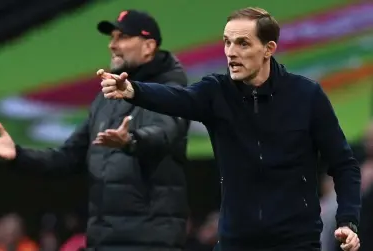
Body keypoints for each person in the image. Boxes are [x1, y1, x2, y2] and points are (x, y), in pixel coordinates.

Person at [97, 7, 362, 251]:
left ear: (268, 48)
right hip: (235, 241)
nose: (230, 52)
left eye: (242, 43)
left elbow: (344, 165)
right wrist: (133, 90)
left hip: (296, 242)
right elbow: (177, 98)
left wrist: (347, 220)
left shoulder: (307, 95)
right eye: (227, 42)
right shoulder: (215, 92)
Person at [0, 10, 191, 251]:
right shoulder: (105, 99)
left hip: (150, 242)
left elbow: (163, 133)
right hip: (103, 241)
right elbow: (68, 156)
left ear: (148, 46)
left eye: (122, 37)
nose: (112, 45)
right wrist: (18, 154)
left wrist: (130, 140)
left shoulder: (171, 91)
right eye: (111, 38)